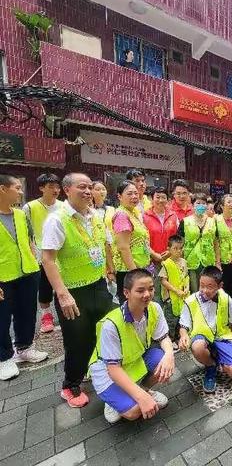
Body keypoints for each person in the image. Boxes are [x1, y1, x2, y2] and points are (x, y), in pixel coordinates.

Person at [42, 173, 114, 407]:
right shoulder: (57, 219)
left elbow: (103, 245)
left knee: (104, 332)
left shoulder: (94, 216)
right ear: (66, 190)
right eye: (81, 187)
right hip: (73, 292)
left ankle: (94, 369)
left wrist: (109, 273)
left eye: (90, 187)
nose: (87, 191)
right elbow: (48, 260)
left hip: (98, 284)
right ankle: (70, 385)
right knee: (77, 340)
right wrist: (62, 294)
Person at [89, 268, 174, 423]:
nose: (147, 294)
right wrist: (142, 399)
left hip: (133, 360)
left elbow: (163, 337)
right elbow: (113, 369)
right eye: (140, 290)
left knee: (162, 359)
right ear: (126, 293)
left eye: (150, 289)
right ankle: (115, 401)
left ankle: (144, 390)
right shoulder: (111, 324)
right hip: (108, 371)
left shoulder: (154, 308)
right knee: (134, 412)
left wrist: (170, 355)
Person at [0, 175, 47, 381]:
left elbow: (30, 241)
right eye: (17, 188)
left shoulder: (20, 214)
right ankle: (4, 358)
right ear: (3, 189)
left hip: (28, 272)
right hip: (3, 277)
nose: (21, 192)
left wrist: (35, 263)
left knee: (27, 312)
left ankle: (24, 347)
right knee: (2, 319)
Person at [178, 266, 232, 393]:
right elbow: (183, 325)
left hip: (222, 337)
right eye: (201, 285)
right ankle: (211, 366)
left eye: (210, 286)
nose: (204, 290)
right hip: (201, 336)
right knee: (197, 347)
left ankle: (218, 356)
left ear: (220, 286)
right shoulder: (190, 301)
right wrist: (183, 335)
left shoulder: (226, 299)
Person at [23, 173, 63, 334]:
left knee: (63, 283)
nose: (55, 190)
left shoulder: (62, 206)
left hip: (62, 252)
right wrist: (31, 252)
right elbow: (26, 232)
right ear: (41, 188)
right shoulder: (30, 207)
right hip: (41, 253)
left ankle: (64, 310)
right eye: (51, 187)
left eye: (57, 186)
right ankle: (46, 316)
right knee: (45, 286)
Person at [112, 181, 163, 304]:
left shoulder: (134, 213)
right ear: (119, 196)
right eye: (129, 194)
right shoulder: (122, 215)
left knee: (142, 305)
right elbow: (123, 247)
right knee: (133, 307)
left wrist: (154, 254)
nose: (134, 196)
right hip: (129, 271)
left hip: (140, 267)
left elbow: (141, 241)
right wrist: (135, 275)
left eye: (136, 193)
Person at [179, 193, 216, 293]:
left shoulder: (212, 221)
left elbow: (216, 242)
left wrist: (218, 262)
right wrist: (180, 262)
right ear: (193, 204)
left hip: (208, 260)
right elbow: (180, 243)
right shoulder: (185, 222)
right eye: (198, 203)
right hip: (191, 261)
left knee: (207, 289)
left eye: (203, 203)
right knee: (194, 290)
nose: (201, 205)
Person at [159, 235, 189, 345]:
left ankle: (178, 337)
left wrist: (186, 288)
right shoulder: (166, 264)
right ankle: (169, 340)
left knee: (180, 318)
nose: (178, 251)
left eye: (181, 248)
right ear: (169, 249)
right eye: (175, 248)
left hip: (182, 297)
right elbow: (163, 280)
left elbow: (186, 277)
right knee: (170, 320)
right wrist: (175, 290)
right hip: (170, 298)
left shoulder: (184, 262)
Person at [214, 195, 232, 307]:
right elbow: (215, 241)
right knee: (223, 286)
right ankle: (223, 311)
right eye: (229, 202)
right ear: (222, 206)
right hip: (223, 259)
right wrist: (217, 261)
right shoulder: (216, 220)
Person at [143, 187, 178, 259]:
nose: (160, 200)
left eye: (163, 197)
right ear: (151, 199)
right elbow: (141, 240)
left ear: (168, 200)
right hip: (149, 259)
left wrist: (170, 252)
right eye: (157, 197)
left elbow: (177, 237)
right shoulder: (144, 217)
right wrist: (153, 254)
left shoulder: (173, 216)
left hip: (170, 258)